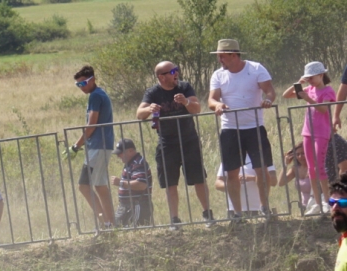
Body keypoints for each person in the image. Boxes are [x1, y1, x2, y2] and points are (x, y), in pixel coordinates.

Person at [136, 61, 212, 227]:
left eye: (176, 70)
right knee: (170, 182)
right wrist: (149, 109)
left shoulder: (184, 87)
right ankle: (174, 220)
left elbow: (197, 108)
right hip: (167, 143)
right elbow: (139, 114)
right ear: (161, 77)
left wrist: (186, 102)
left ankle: (208, 215)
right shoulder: (153, 92)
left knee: (199, 178)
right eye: (172, 71)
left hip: (189, 140)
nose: (176, 73)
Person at [208, 39, 276, 221]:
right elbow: (211, 100)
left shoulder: (256, 69)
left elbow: (270, 91)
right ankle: (237, 214)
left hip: (254, 128)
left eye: (222, 56)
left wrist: (268, 100)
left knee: (262, 169)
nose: (219, 59)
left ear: (233, 55)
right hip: (230, 129)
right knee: (231, 172)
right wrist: (218, 105)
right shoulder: (217, 75)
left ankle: (265, 208)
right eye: (218, 56)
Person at [283, 62, 336, 215]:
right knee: (311, 168)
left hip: (321, 132)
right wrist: (298, 84)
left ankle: (327, 200)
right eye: (308, 78)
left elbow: (323, 109)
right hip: (308, 132)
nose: (310, 81)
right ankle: (317, 203)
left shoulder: (328, 91)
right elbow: (286, 95)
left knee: (320, 167)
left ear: (321, 75)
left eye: (312, 77)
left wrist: (308, 98)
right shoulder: (309, 89)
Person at [68, 65, 116, 229]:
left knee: (84, 186)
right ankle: (111, 224)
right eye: (78, 85)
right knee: (100, 186)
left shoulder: (95, 96)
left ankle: (105, 224)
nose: (81, 87)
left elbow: (91, 126)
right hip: (102, 145)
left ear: (93, 80)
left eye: (83, 83)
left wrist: (75, 146)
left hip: (97, 146)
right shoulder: (99, 94)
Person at [110, 139, 154, 228]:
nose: (118, 156)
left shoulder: (138, 163)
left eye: (120, 153)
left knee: (136, 231)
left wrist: (120, 183)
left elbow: (141, 185)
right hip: (128, 207)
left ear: (130, 151)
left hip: (137, 206)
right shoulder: (131, 163)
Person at [276, 142, 314, 211]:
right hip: (304, 208)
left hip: (316, 206)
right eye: (297, 154)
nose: (300, 157)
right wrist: (285, 164)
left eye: (303, 153)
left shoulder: (315, 167)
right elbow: (281, 183)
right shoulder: (295, 169)